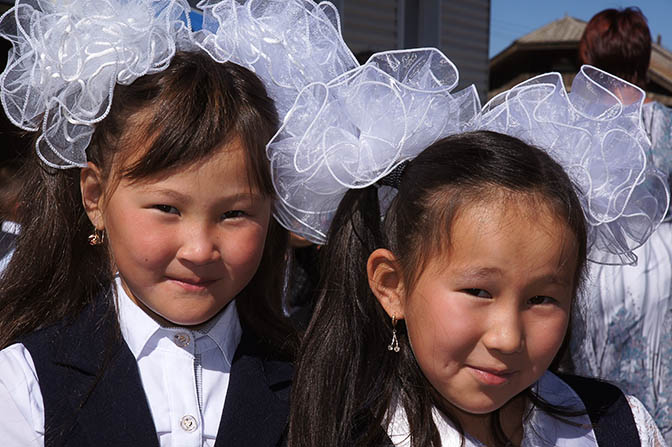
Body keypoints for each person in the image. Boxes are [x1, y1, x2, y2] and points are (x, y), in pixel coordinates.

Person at [266, 48, 669, 446]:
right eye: (478, 292)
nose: (507, 338)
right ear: (393, 286)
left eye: (542, 298)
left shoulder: (615, 427)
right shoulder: (336, 433)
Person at [0, 0, 356, 445]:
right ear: (94, 196)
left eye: (234, 214)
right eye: (167, 209)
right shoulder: (24, 383)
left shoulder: (318, 387)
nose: (199, 249)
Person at [574, 7, 672, 443]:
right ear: (643, 60)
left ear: (590, 57)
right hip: (663, 265)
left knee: (593, 393)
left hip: (595, 262)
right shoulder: (665, 123)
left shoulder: (575, 124)